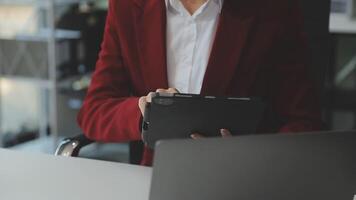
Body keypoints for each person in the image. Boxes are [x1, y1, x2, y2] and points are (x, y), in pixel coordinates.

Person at [77, 0, 322, 166]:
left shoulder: (272, 9)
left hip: (240, 180)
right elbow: (94, 110)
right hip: (156, 178)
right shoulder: (128, 6)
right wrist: (145, 113)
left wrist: (248, 153)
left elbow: (304, 121)